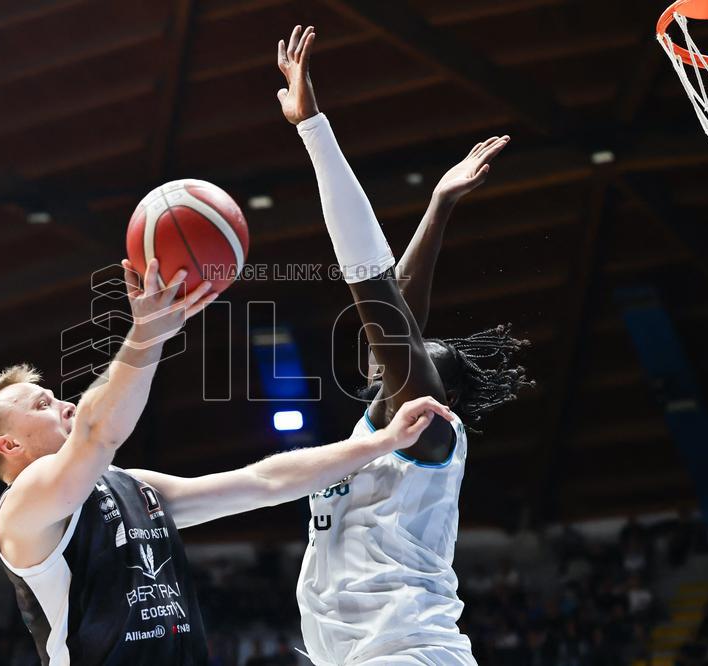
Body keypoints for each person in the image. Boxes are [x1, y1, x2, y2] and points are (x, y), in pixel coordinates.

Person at [0, 257, 457, 665]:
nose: (63, 403)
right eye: (42, 405)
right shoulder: (22, 508)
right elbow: (98, 432)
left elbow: (262, 482)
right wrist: (146, 333)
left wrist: (381, 442)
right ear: (9, 447)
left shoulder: (131, 486)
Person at [276, 24, 534, 665]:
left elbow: (376, 290)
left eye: (405, 363)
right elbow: (396, 316)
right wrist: (440, 205)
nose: (386, 359)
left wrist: (314, 130)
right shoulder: (390, 430)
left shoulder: (427, 430)